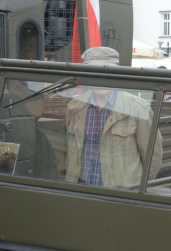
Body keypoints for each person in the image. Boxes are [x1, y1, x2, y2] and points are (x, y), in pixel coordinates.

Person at [64, 46, 163, 187]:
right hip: (80, 194)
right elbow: (69, 153)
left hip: (119, 199)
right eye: (94, 73)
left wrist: (133, 190)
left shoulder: (137, 108)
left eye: (105, 72)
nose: (99, 79)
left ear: (115, 73)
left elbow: (153, 158)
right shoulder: (75, 107)